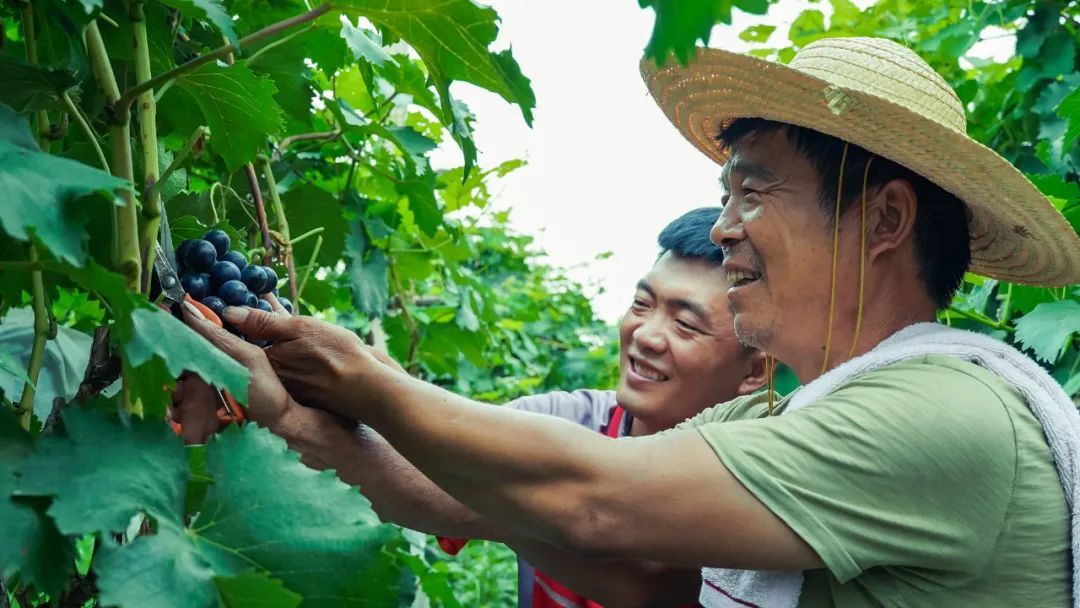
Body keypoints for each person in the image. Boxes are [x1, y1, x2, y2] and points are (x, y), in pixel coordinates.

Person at [184, 37, 1080, 606]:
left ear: (885, 221)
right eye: (724, 196)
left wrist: (368, 381)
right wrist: (301, 417)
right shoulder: (773, 417)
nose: (726, 228)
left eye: (756, 191)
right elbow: (635, 572)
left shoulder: (945, 415)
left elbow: (596, 504)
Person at [175, 208, 767, 607]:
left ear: (756, 371)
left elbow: (640, 574)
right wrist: (302, 396)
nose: (646, 335)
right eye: (643, 303)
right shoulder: (561, 420)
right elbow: (424, 460)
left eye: (686, 324)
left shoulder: (761, 468)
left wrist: (336, 395)